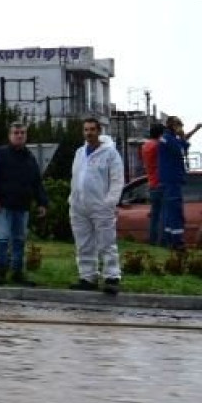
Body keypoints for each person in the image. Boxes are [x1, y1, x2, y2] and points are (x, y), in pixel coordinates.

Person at [0, 122, 49, 286]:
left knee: (19, 240)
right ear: (10, 135)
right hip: (3, 205)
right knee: (3, 239)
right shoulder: (0, 154)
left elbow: (36, 182)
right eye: (16, 132)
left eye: (23, 133)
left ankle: (17, 272)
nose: (19, 135)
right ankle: (0, 272)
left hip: (22, 206)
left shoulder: (29, 157)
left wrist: (42, 202)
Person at [68, 118, 125, 294]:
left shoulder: (110, 153)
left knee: (106, 242)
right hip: (79, 205)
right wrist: (72, 198)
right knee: (83, 242)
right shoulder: (80, 152)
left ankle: (112, 276)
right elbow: (75, 177)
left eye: (92, 129)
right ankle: (87, 277)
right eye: (86, 130)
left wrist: (110, 202)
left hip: (101, 205)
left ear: (99, 131)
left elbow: (117, 180)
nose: (89, 133)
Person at [157, 116, 202, 250]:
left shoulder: (168, 139)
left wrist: (194, 130)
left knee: (170, 211)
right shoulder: (168, 140)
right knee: (175, 211)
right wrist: (184, 136)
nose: (181, 129)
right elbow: (181, 149)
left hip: (171, 179)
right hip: (172, 179)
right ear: (173, 126)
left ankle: (169, 239)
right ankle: (177, 241)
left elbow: (182, 142)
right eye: (180, 126)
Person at [140, 122, 165, 245]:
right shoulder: (158, 145)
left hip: (152, 183)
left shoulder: (145, 146)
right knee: (163, 215)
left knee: (155, 215)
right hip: (160, 183)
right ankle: (161, 241)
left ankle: (153, 239)